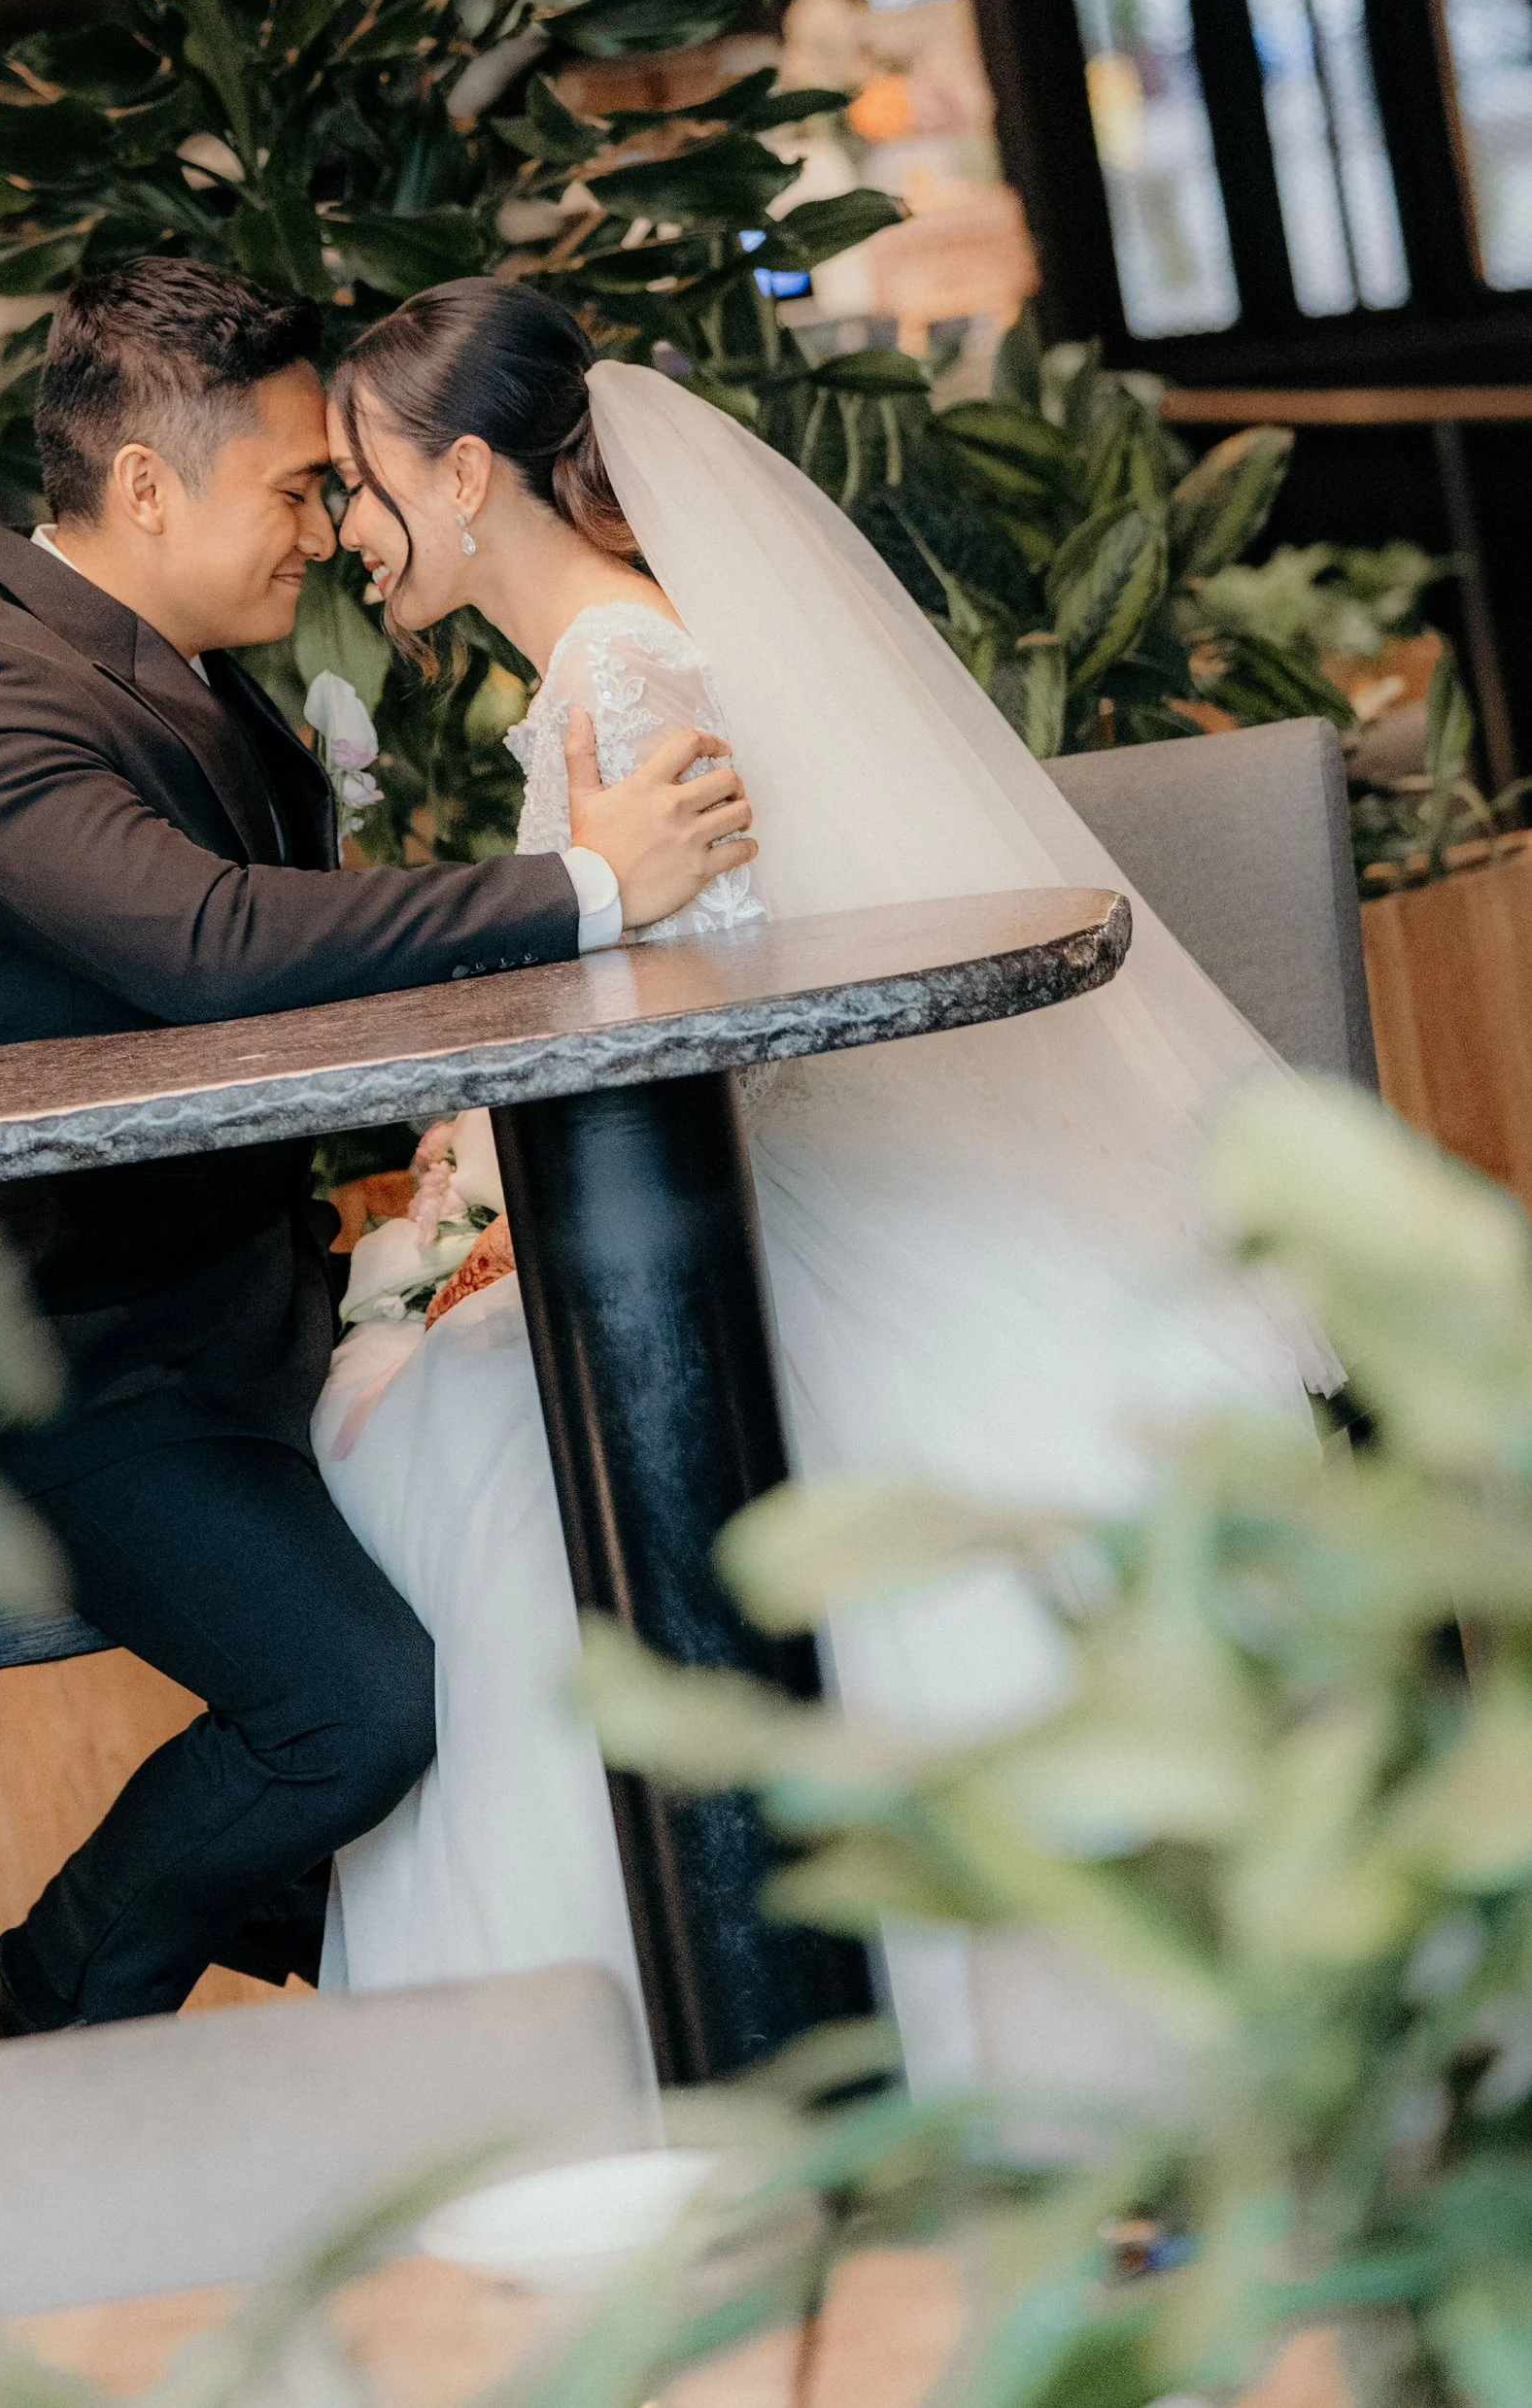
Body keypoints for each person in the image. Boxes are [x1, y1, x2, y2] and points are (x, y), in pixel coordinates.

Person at [314, 277, 1322, 2096]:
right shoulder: (585, 675)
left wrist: (515, 1210)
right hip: (695, 1185)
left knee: (445, 1458)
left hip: (757, 1206)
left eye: (361, 483)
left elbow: (720, 1007)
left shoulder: (628, 672)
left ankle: (667, 2049)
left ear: (465, 475)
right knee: (423, 1428)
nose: (345, 532)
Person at [0, 256, 758, 2042]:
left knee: (549, 1537)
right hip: (71, 1372)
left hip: (253, 1313)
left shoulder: (184, 677)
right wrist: (580, 887)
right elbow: (209, 945)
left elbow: (303, 977)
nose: (325, 522)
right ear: (141, 487)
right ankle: (50, 1998)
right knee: (364, 1702)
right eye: (293, 484)